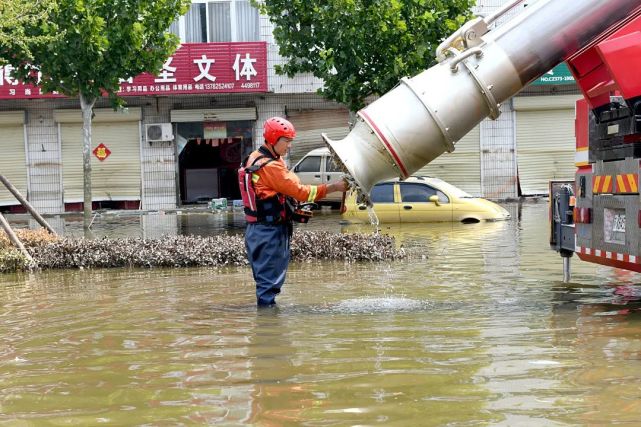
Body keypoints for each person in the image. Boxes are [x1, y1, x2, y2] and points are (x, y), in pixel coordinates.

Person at [238, 116, 348, 307]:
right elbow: (302, 192)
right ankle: (269, 328)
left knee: (266, 282)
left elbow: (289, 183)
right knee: (268, 287)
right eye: (286, 141)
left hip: (258, 230)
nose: (289, 146)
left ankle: (267, 325)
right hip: (269, 232)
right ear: (273, 139)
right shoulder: (270, 166)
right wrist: (335, 187)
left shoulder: (257, 156)